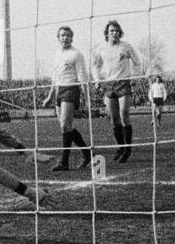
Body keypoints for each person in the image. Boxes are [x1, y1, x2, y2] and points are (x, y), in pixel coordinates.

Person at [39, 25, 91, 172]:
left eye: (68, 35)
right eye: (62, 35)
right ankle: (87, 153)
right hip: (59, 91)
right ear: (58, 38)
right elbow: (55, 77)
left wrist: (86, 98)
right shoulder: (57, 54)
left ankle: (64, 162)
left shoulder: (76, 54)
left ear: (71, 37)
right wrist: (49, 96)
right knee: (66, 127)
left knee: (64, 125)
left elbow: (82, 77)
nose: (65, 38)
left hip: (71, 89)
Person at [91, 19, 144, 163]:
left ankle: (128, 148)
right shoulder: (101, 49)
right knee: (114, 120)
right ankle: (120, 147)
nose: (114, 33)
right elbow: (95, 66)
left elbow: (137, 63)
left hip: (123, 83)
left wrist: (134, 77)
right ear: (107, 34)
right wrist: (97, 80)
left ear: (120, 32)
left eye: (116, 31)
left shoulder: (126, 47)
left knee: (124, 114)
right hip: (108, 85)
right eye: (111, 31)